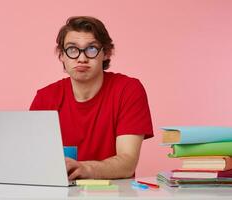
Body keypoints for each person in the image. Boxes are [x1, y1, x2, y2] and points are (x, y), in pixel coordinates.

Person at [30, 16, 153, 180]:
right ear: (62, 55)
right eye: (72, 49)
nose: (82, 58)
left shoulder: (128, 90)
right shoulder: (45, 98)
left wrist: (85, 168)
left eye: (92, 49)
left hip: (114, 194)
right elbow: (33, 160)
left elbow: (127, 163)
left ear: (106, 53)